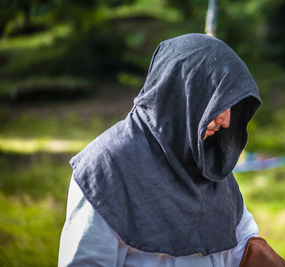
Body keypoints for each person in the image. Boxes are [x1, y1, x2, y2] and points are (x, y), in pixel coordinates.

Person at [58, 33, 263, 266]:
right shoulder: (106, 169)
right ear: (185, 95)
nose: (226, 120)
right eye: (219, 102)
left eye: (232, 105)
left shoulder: (211, 166)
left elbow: (245, 249)